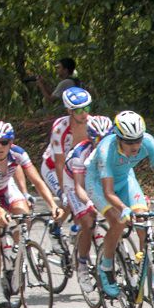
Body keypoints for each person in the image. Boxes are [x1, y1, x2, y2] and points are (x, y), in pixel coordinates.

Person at [84, 110, 154, 299]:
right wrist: (124, 209)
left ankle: (151, 284)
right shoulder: (106, 150)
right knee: (118, 221)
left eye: (138, 140)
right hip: (98, 183)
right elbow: (108, 192)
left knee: (144, 224)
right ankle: (106, 268)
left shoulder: (148, 142)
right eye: (129, 142)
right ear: (118, 138)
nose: (135, 145)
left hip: (126, 178)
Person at [0, 121, 64, 307]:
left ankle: (15, 251)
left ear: (11, 142)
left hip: (6, 187)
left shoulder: (18, 154)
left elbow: (37, 181)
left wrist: (53, 205)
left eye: (4, 142)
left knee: (25, 215)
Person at [62, 115, 112, 288]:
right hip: (75, 183)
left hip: (95, 180)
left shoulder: (114, 149)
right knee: (88, 223)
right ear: (91, 138)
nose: (102, 141)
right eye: (98, 138)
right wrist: (90, 204)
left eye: (107, 137)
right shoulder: (79, 154)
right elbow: (79, 188)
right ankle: (82, 264)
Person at [42, 87, 93, 220]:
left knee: (85, 200)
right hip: (52, 167)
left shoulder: (93, 125)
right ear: (69, 111)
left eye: (87, 108)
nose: (84, 114)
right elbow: (59, 163)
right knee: (69, 199)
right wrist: (64, 192)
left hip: (74, 167)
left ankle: (76, 232)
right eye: (79, 110)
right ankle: (56, 226)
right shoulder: (60, 128)